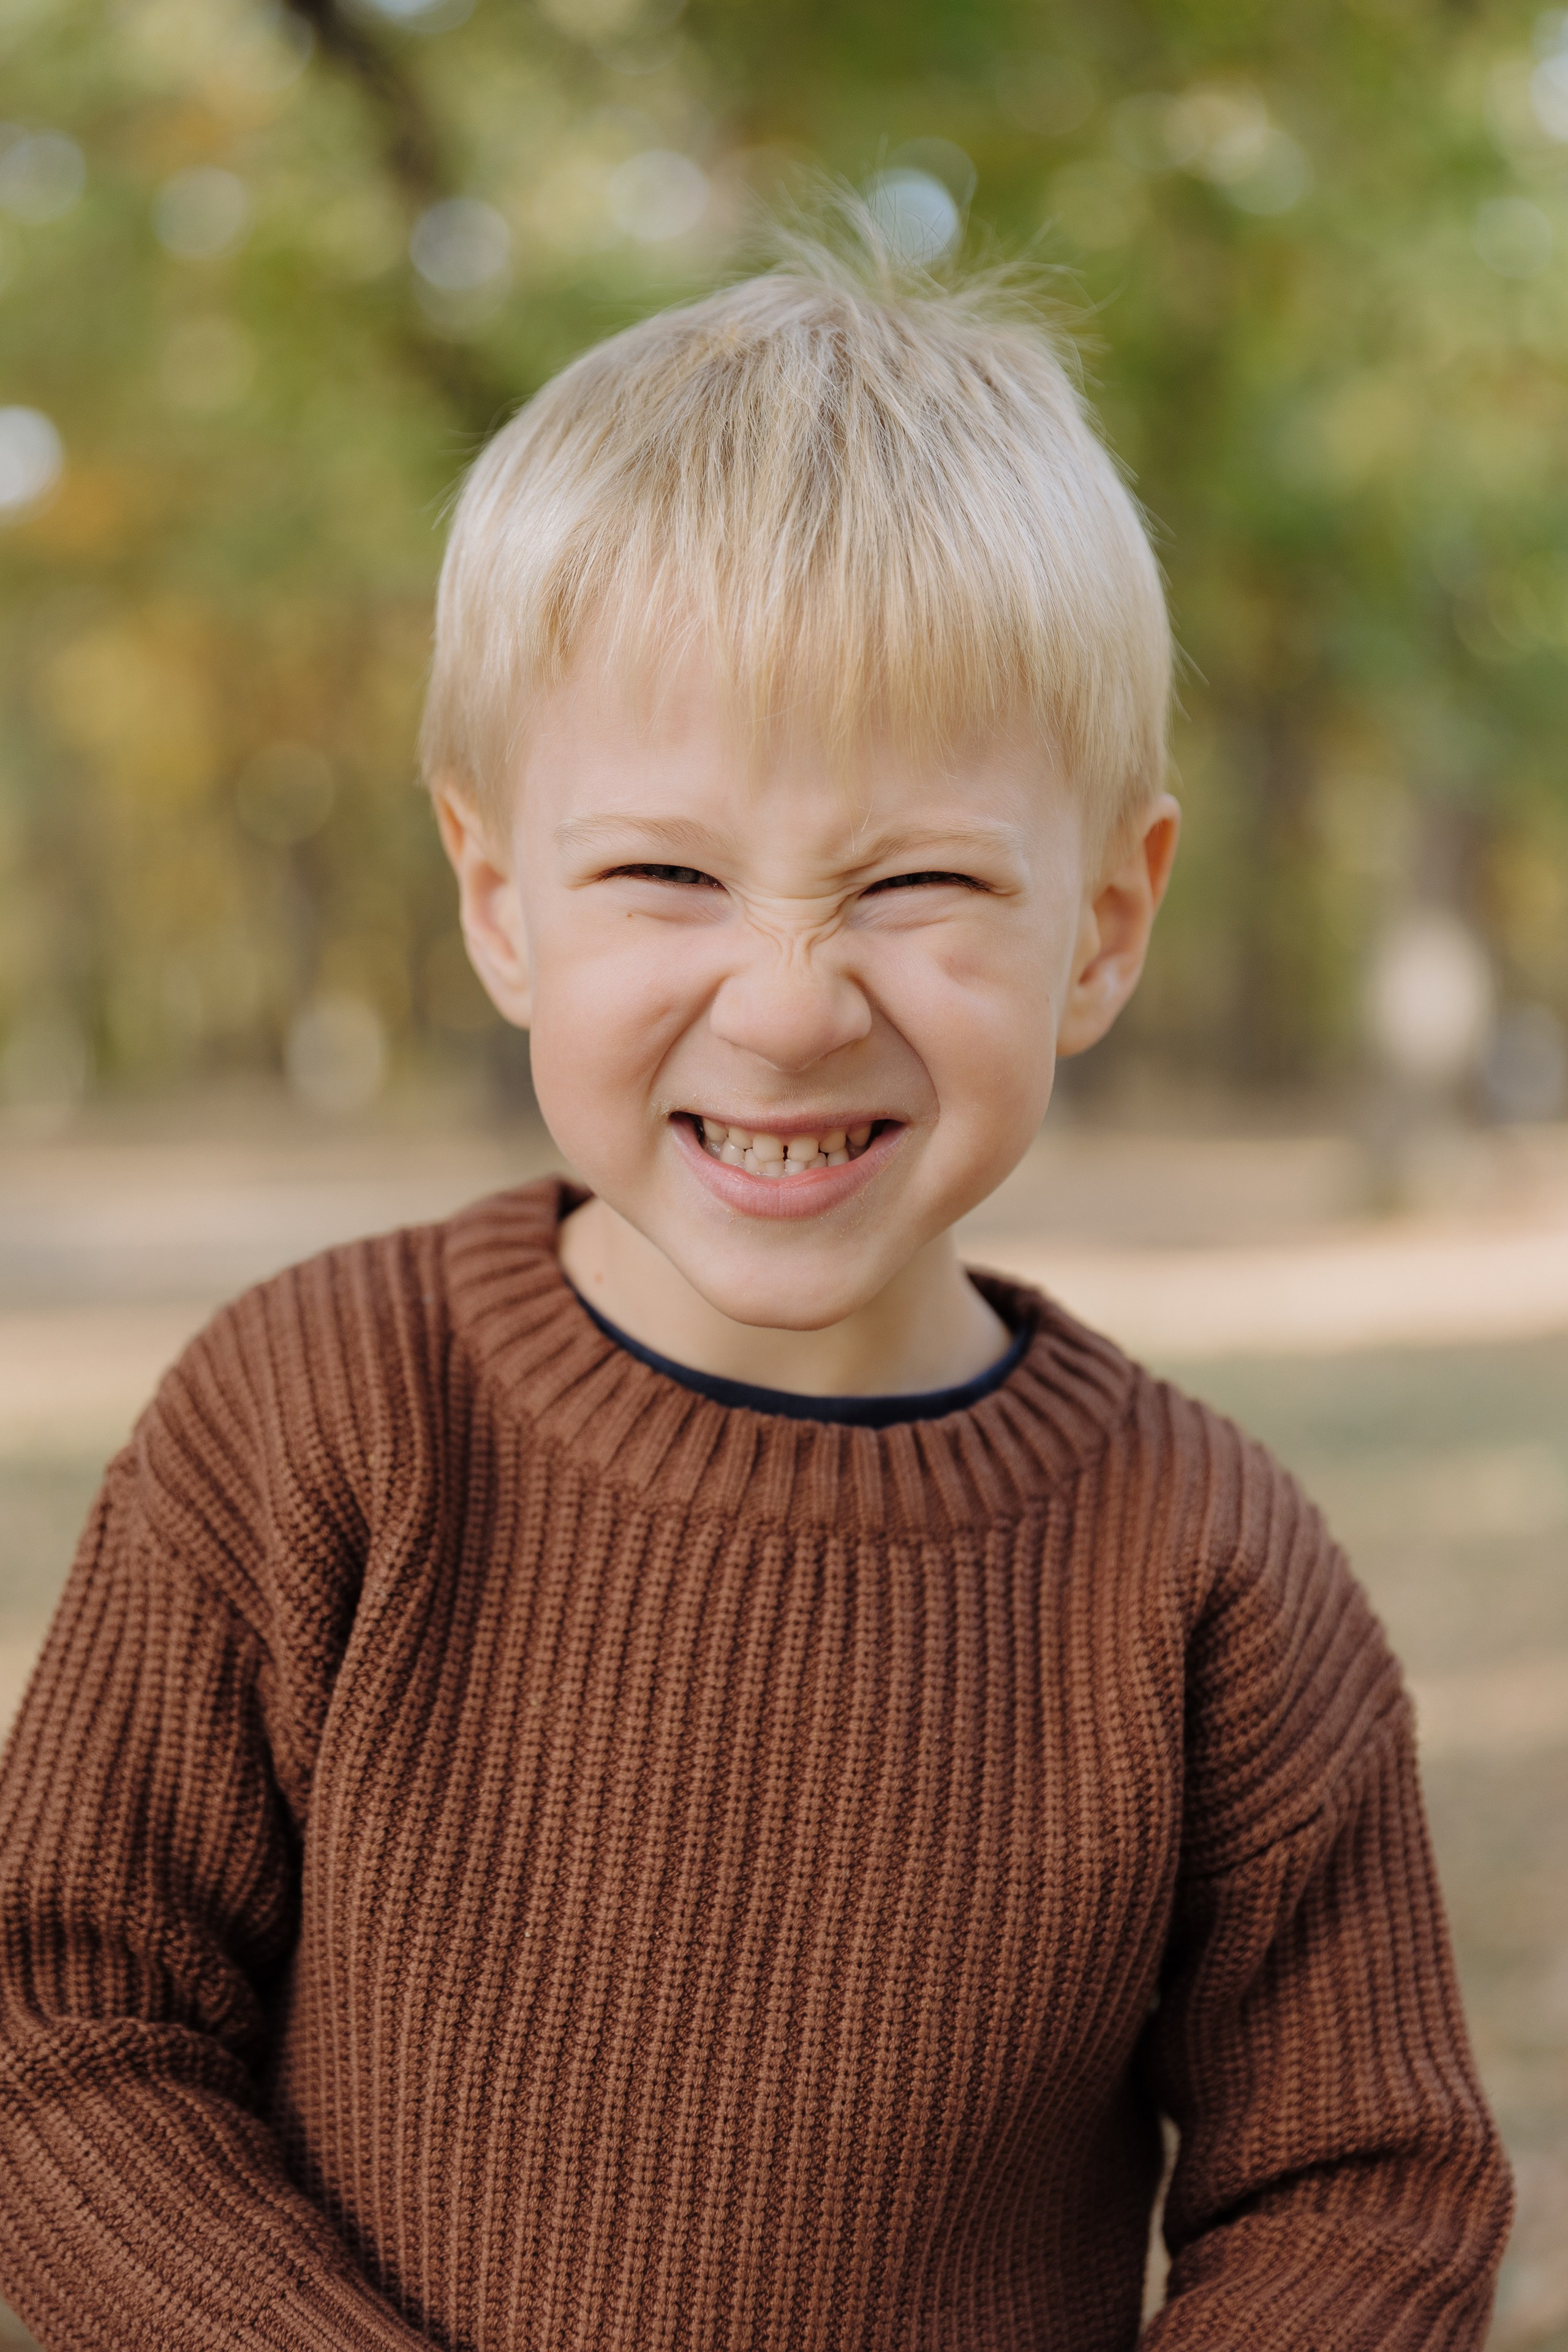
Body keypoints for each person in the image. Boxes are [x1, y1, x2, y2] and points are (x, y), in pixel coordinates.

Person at [0, 226, 1511, 2351]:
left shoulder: (1209, 1577)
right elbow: (65, 2020)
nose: (790, 1007)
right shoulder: (316, 1420)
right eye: (667, 875)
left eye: (915, 882)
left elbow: (1363, 2194)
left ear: (1102, 922)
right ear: (502, 900)